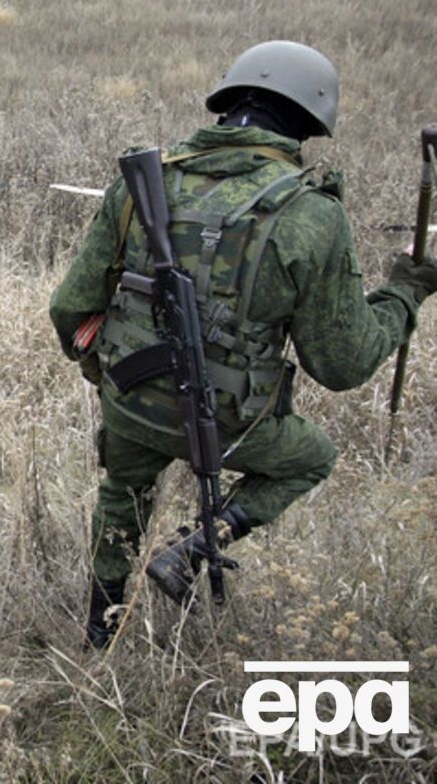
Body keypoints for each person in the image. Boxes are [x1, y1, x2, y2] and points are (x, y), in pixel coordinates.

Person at [49, 40, 437, 649]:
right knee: (311, 457)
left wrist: (105, 371)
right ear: (310, 120)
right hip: (231, 416)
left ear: (227, 104)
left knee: (121, 498)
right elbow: (342, 363)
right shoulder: (310, 214)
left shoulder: (148, 184)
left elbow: (68, 309)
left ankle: (100, 633)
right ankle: (200, 544)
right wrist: (404, 296)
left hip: (131, 397)